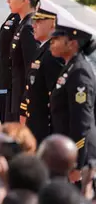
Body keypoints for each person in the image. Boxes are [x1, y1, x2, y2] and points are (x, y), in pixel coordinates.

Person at [49, 11, 96, 177]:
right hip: (66, 151)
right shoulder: (70, 68)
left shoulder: (79, 72)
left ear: (72, 44)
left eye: (57, 39)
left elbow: (81, 122)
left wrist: (76, 164)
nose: (51, 42)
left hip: (78, 158)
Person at [19, 0, 67, 143]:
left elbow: (56, 99)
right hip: (35, 128)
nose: (34, 25)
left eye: (39, 21)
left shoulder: (53, 56)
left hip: (46, 132)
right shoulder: (42, 50)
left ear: (53, 24)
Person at [0, 0, 42, 95]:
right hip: (14, 85)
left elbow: (31, 68)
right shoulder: (19, 18)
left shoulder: (28, 25)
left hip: (20, 89)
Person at [4, 0, 45, 122]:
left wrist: (24, 105)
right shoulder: (23, 24)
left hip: (23, 99)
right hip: (16, 94)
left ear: (25, 0)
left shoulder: (29, 28)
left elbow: (32, 70)